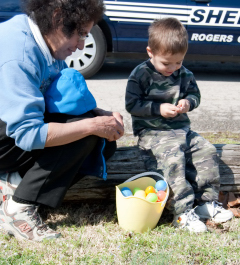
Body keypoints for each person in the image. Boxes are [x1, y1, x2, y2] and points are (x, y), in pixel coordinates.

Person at [0, 0, 124, 242]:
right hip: (9, 133)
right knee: (88, 132)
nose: (81, 46)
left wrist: (101, 115)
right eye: (80, 34)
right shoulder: (20, 54)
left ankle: (15, 184)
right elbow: (28, 134)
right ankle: (18, 210)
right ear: (57, 18)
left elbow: (55, 99)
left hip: (9, 128)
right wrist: (93, 125)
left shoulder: (43, 39)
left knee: (102, 143)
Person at [125, 17, 233, 233]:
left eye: (178, 62)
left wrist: (187, 103)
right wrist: (159, 109)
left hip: (181, 130)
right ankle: (182, 213)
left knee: (207, 150)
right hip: (153, 132)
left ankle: (205, 203)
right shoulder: (140, 75)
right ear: (150, 52)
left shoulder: (184, 74)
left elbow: (195, 95)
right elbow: (132, 104)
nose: (172, 68)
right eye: (166, 63)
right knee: (173, 159)